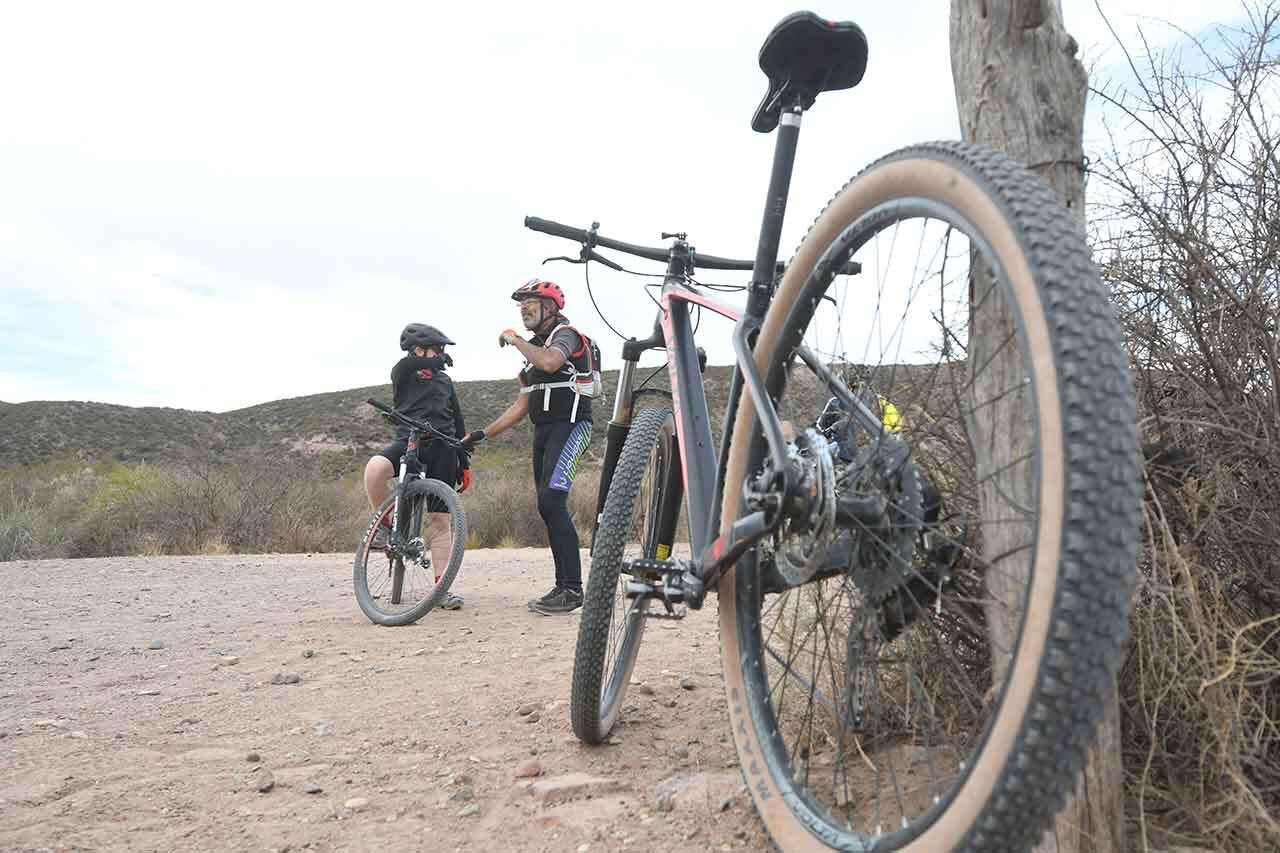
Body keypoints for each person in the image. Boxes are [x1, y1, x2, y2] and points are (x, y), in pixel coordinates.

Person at [461, 279, 595, 615]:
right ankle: (562, 587)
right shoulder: (531, 352)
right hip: (543, 432)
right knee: (546, 506)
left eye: (530, 303)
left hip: (572, 426)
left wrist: (516, 340)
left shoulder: (566, 335)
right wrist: (480, 434)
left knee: (553, 500)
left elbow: (551, 363)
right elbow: (521, 406)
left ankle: (572, 589)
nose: (524, 309)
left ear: (550, 307)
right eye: (520, 305)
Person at [364, 322, 469, 610]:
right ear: (418, 348)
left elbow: (457, 421)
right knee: (375, 469)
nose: (440, 355)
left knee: (440, 521)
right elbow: (410, 363)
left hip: (444, 447)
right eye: (437, 349)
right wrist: (433, 359)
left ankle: (441, 588)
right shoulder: (404, 370)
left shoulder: (445, 381)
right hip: (409, 440)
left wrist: (464, 461)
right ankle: (385, 527)